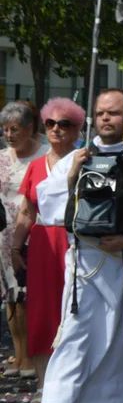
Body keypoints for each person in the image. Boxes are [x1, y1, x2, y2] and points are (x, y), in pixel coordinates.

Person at [14, 88, 123, 403]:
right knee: (76, 335)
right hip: (86, 267)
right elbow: (48, 206)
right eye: (100, 114)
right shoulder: (80, 156)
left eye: (113, 113)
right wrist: (71, 179)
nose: (106, 120)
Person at [9, 98, 84, 403]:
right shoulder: (37, 166)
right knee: (41, 314)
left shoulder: (86, 160)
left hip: (76, 242)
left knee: (74, 312)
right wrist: (15, 248)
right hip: (41, 245)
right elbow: (26, 212)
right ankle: (44, 385)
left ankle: (76, 386)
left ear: (77, 129)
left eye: (64, 123)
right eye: (51, 123)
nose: (56, 129)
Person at [0, 102, 47, 379]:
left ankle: (30, 357)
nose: (9, 135)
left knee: (27, 296)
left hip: (34, 231)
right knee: (11, 297)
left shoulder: (44, 155)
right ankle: (18, 356)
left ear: (30, 128)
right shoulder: (3, 158)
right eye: (5, 130)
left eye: (15, 129)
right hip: (4, 233)